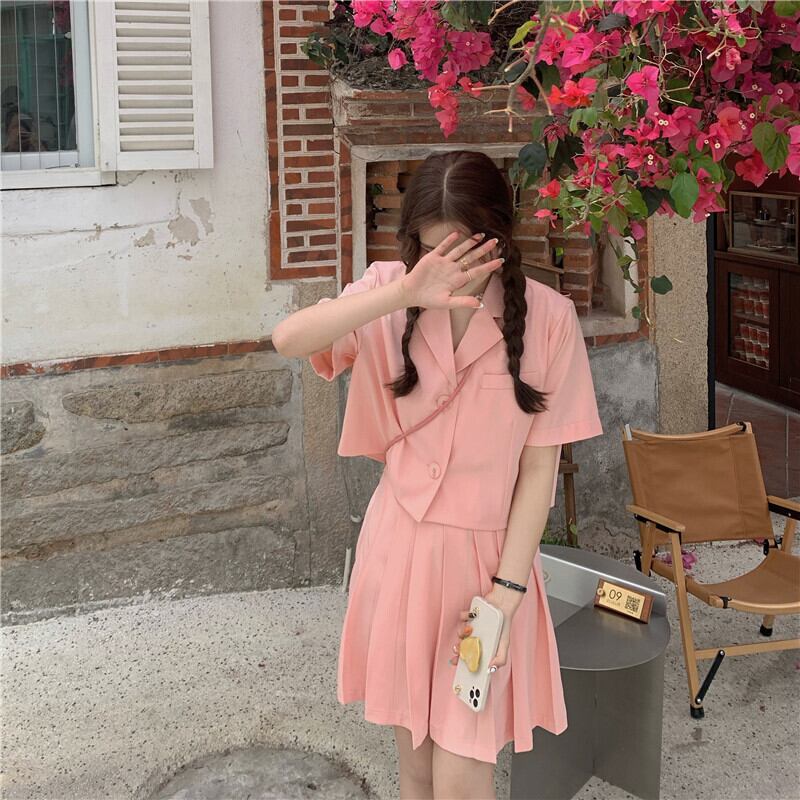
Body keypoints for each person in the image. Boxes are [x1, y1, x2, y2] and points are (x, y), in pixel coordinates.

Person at [272, 150, 604, 799]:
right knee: (418, 768)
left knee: (463, 774)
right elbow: (289, 338)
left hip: (488, 570)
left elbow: (539, 468)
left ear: (498, 235)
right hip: (399, 554)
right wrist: (404, 291)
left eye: (466, 249)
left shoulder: (549, 319)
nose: (450, 266)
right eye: (433, 249)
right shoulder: (390, 293)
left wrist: (507, 595)